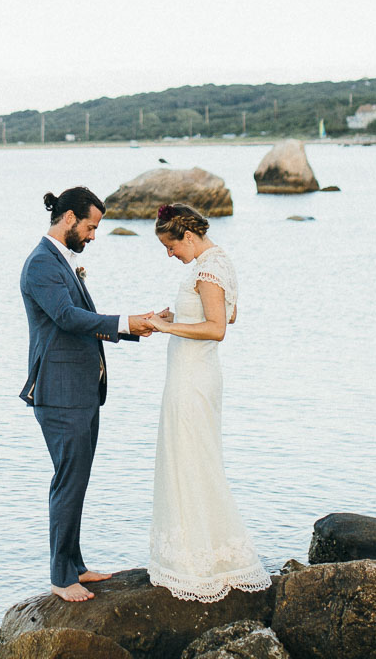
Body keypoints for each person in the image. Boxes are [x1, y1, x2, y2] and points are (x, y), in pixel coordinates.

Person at [19, 187, 163, 601]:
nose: (93, 235)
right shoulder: (40, 265)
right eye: (90, 226)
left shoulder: (62, 261)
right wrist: (124, 323)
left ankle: (75, 564)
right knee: (68, 481)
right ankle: (61, 577)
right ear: (68, 219)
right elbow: (66, 318)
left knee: (76, 480)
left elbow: (81, 320)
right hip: (60, 393)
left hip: (81, 391)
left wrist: (140, 323)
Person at [144, 201, 270, 602]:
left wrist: (166, 326)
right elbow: (228, 315)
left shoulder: (209, 267)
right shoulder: (217, 263)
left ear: (189, 236)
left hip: (192, 377)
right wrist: (174, 315)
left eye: (170, 246)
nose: (170, 255)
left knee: (191, 460)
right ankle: (200, 550)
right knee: (192, 459)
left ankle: (200, 559)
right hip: (194, 373)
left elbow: (217, 329)